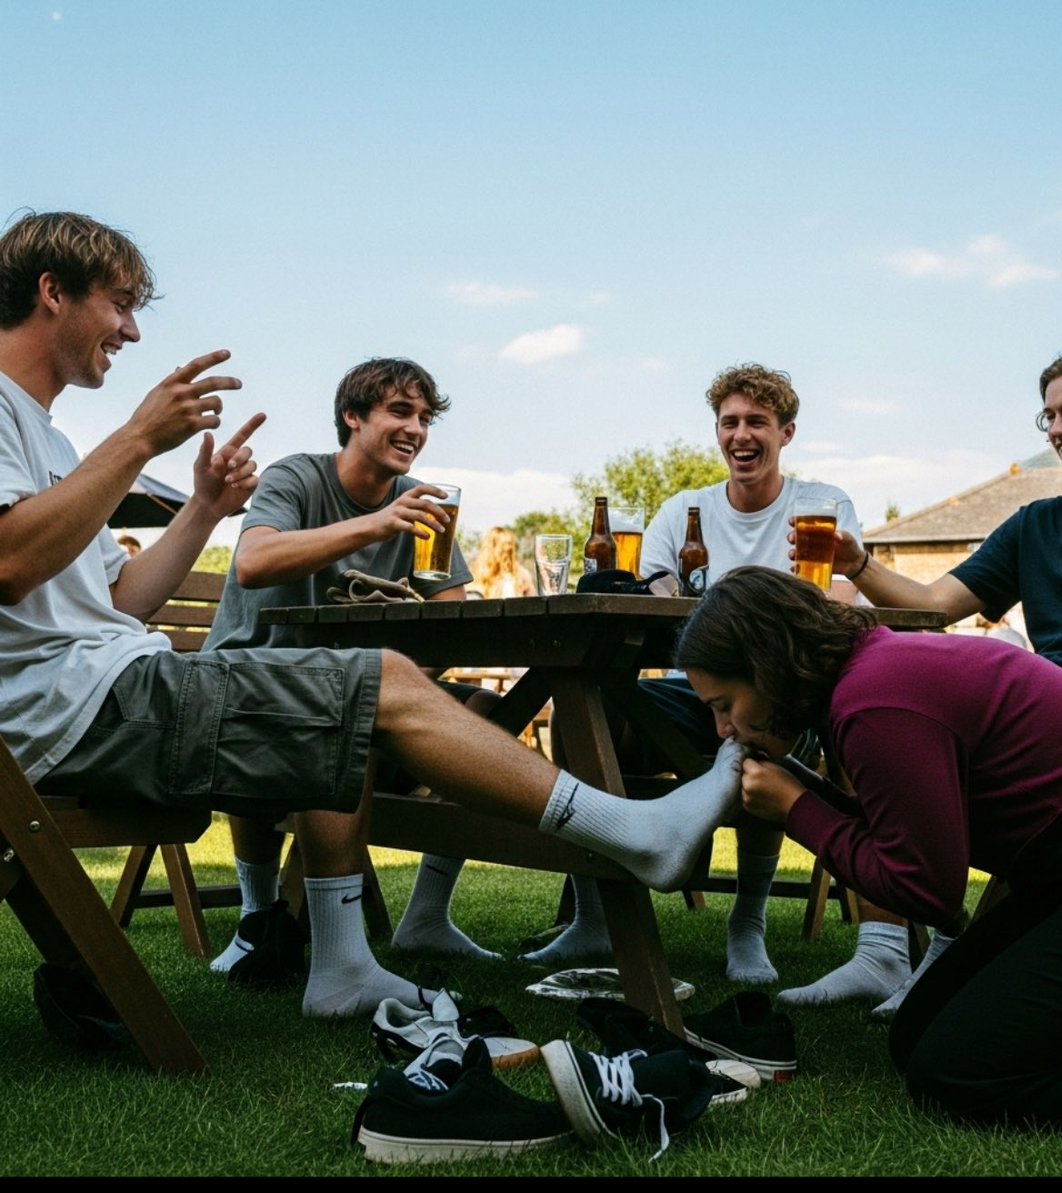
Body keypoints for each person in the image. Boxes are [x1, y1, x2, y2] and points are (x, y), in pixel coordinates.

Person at [0, 209, 745, 1021]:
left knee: (359, 692)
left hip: (103, 687)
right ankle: (629, 832)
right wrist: (140, 438)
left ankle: (347, 963)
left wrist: (204, 508)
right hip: (71, 707)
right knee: (372, 681)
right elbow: (8, 565)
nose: (132, 330)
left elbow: (119, 601)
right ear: (53, 292)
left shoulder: (50, 442)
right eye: (118, 304)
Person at [675, 565, 1062, 1128]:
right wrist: (809, 791)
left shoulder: (873, 702)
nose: (723, 729)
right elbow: (902, 829)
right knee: (918, 1031)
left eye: (725, 704)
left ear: (767, 667)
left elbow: (926, 889)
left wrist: (797, 810)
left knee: (959, 1073)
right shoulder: (869, 675)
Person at [825, 342, 1062, 1015]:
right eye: (1048, 416)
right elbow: (933, 606)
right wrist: (858, 564)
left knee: (1052, 716)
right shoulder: (1037, 523)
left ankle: (951, 957)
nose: (1056, 428)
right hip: (1034, 701)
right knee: (882, 722)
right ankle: (899, 946)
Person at [524, 363, 899, 994]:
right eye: (730, 422)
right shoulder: (683, 511)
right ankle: (594, 917)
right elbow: (654, 602)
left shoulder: (821, 506)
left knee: (761, 732)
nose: (741, 435)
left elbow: (836, 604)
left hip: (785, 699)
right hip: (693, 690)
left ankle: (746, 922)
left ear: (786, 433)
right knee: (583, 711)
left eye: (758, 422)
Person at [203, 356, 504, 975]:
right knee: (345, 718)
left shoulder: (421, 507)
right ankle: (258, 918)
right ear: (352, 417)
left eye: (425, 418)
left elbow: (455, 619)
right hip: (251, 685)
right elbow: (253, 563)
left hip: (355, 695)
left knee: (489, 712)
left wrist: (417, 661)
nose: (415, 428)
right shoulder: (297, 477)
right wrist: (377, 524)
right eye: (400, 411)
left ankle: (427, 916)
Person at [469, 526, 536, 599]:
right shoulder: (475, 576)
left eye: (509, 548)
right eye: (503, 550)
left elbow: (532, 601)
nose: (507, 553)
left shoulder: (521, 575)